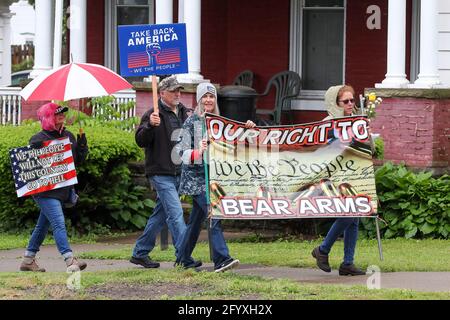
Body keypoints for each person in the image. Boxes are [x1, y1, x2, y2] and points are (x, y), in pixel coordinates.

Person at [175, 82, 256, 272]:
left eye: (211, 96)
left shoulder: (219, 123)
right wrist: (198, 151)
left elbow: (235, 143)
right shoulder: (191, 122)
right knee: (214, 214)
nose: (208, 100)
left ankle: (183, 258)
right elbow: (180, 152)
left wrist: (248, 128)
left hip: (213, 178)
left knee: (195, 222)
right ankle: (222, 259)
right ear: (199, 99)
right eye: (205, 96)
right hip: (195, 180)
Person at [130, 75, 199, 268]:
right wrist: (150, 126)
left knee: (160, 214)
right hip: (160, 172)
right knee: (175, 213)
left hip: (179, 171)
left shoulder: (186, 113)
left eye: (179, 90)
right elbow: (140, 140)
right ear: (162, 93)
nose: (178, 94)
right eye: (173, 91)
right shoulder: (153, 114)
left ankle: (140, 252)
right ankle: (184, 256)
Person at [20, 103, 88, 272]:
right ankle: (70, 260)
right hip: (44, 191)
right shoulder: (37, 139)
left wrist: (81, 148)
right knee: (59, 223)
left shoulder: (69, 135)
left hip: (63, 190)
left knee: (42, 225)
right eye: (57, 113)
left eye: (63, 112)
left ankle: (28, 260)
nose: (62, 115)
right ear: (48, 117)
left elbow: (76, 163)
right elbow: (31, 166)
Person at [311, 84, 366, 276]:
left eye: (352, 100)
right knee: (348, 215)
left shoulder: (356, 121)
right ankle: (323, 250)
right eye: (346, 101)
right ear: (335, 103)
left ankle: (347, 263)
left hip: (352, 174)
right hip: (333, 176)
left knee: (355, 217)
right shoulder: (328, 123)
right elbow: (323, 150)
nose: (350, 104)